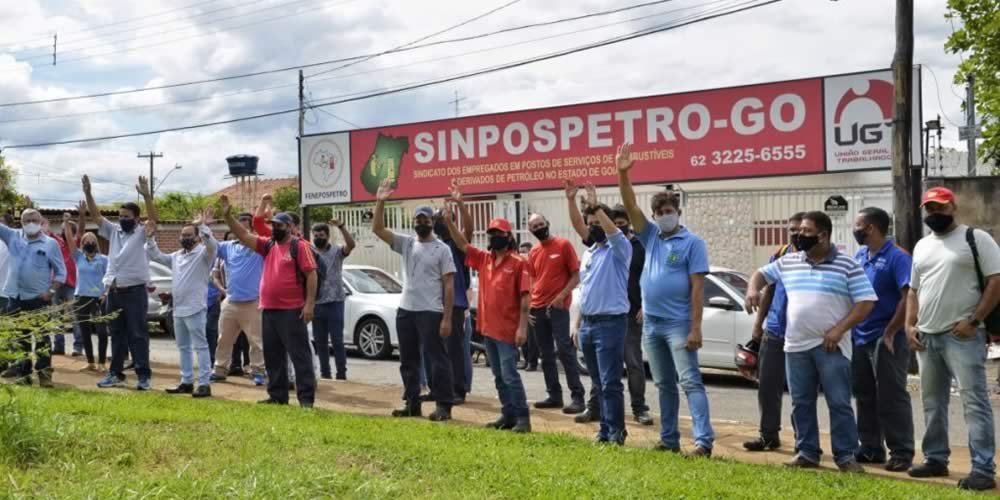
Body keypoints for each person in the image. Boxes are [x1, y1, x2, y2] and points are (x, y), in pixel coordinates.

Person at [746, 210, 876, 472]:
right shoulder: (789, 261)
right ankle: (807, 451)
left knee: (839, 402)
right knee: (801, 401)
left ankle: (845, 456)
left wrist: (839, 330)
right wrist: (752, 290)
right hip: (796, 346)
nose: (799, 235)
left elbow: (866, 302)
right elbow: (760, 274)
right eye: (798, 230)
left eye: (806, 231)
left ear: (823, 235)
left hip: (831, 346)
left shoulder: (847, 264)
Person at [617, 143, 713, 456]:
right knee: (664, 385)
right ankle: (669, 439)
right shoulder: (651, 236)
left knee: (690, 382)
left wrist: (695, 328)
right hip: (652, 325)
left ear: (678, 213)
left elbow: (697, 288)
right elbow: (631, 207)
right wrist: (623, 173)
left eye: (668, 212)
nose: (663, 216)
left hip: (679, 325)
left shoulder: (693, 243)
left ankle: (703, 441)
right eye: (659, 213)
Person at [906, 187, 1000, 491]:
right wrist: (909, 324)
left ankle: (983, 470)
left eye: (940, 208)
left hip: (962, 337)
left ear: (953, 207)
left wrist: (974, 321)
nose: (934, 214)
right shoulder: (922, 246)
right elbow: (913, 289)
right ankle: (935, 459)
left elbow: (996, 281)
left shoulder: (976, 238)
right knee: (932, 403)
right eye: (930, 209)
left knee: (975, 403)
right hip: (927, 337)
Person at [443, 183, 532, 433]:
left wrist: (522, 329)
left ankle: (523, 418)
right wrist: (452, 218)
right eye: (492, 233)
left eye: (499, 233)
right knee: (498, 376)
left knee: (510, 374)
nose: (495, 237)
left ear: (509, 236)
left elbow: (525, 299)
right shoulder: (485, 260)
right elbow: (462, 244)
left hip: (508, 330)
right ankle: (508, 414)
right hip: (488, 329)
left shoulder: (518, 263)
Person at [566, 185, 653, 427]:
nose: (593, 226)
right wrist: (571, 201)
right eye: (591, 222)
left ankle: (635, 412)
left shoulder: (625, 247)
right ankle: (599, 415)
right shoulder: (591, 253)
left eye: (598, 222)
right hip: (591, 322)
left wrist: (645, 304)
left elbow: (649, 278)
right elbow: (586, 290)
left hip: (623, 316)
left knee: (629, 366)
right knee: (599, 376)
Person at [372, 179, 456, 421]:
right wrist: (380, 201)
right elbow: (378, 229)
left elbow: (449, 284)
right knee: (407, 360)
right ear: (414, 222)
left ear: (433, 222)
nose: (421, 223)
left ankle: (444, 405)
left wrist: (447, 318)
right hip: (406, 310)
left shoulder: (442, 249)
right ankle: (412, 403)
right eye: (418, 220)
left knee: (436, 360)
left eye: (426, 220)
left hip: (431, 311)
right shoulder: (407, 243)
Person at [222, 196, 318, 407]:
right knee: (273, 356)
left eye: (280, 225)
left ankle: (306, 400)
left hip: (292, 310)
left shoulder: (299, 246)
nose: (275, 229)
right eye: (273, 225)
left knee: (299, 356)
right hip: (269, 309)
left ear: (290, 227)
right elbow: (244, 235)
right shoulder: (269, 245)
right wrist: (228, 216)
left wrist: (309, 304)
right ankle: (277, 396)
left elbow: (311, 274)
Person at [850, 207, 915, 472]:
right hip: (860, 336)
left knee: (891, 395)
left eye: (858, 225)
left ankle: (901, 451)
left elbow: (908, 296)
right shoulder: (860, 255)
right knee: (864, 394)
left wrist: (890, 331)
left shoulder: (898, 257)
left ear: (871, 228)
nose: (855, 229)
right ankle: (871, 448)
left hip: (887, 337)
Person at [86, 175, 155, 391]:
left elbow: (154, 218)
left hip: (134, 292)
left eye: (126, 216)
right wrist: (88, 193)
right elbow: (96, 217)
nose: (122, 218)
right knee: (116, 335)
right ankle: (115, 373)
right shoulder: (114, 230)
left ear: (136, 218)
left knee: (137, 334)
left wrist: (146, 195)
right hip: (113, 291)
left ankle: (143, 376)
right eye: (120, 215)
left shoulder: (143, 233)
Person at [743, 212, 804, 452]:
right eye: (792, 230)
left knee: (801, 391)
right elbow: (767, 290)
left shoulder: (815, 257)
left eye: (801, 229)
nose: (797, 234)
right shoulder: (780, 255)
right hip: (775, 331)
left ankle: (803, 439)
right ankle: (768, 435)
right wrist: (758, 325)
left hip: (802, 336)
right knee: (767, 387)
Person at [146, 209, 218, 398]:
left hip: (195, 308)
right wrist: (150, 238)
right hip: (177, 309)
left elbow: (212, 245)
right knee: (183, 347)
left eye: (188, 235)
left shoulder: (204, 254)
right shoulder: (177, 256)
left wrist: (203, 226)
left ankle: (204, 383)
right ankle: (186, 381)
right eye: (182, 235)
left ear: (197, 238)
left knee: (201, 347)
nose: (184, 238)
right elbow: (157, 256)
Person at [526, 211, 585, 414]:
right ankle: (554, 395)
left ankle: (578, 397)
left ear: (548, 223)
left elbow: (576, 276)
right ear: (530, 230)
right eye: (534, 227)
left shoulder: (563, 245)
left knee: (564, 350)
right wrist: (529, 307)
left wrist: (562, 296)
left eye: (541, 224)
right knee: (545, 354)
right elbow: (532, 280)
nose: (539, 228)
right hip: (537, 308)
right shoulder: (533, 252)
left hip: (558, 307)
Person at [0, 208, 67, 387]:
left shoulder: (50, 244)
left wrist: (51, 292)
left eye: (34, 220)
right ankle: (23, 374)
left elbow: (61, 273)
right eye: (26, 220)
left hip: (39, 299)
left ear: (40, 221)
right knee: (20, 339)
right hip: (15, 297)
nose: (30, 223)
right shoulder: (12, 236)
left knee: (42, 338)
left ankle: (44, 374)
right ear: (20, 222)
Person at [211, 214, 267, 387]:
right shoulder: (228, 247)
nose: (239, 231)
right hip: (231, 301)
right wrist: (204, 228)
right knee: (223, 339)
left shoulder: (259, 246)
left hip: (253, 302)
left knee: (256, 341)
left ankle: (258, 371)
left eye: (243, 227)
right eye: (236, 227)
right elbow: (210, 246)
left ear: (251, 229)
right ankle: (220, 370)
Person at [432, 195, 474, 405]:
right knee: (437, 350)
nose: (438, 222)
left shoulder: (456, 244)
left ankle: (459, 390)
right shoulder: (434, 244)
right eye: (437, 219)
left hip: (455, 304)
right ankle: (439, 387)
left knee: (455, 350)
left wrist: (460, 205)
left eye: (442, 218)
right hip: (433, 304)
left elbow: (469, 228)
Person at [64, 206, 110, 371]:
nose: (89, 243)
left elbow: (109, 279)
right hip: (81, 297)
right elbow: (69, 240)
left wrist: (105, 293)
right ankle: (90, 362)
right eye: (86, 241)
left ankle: (102, 362)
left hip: (98, 299)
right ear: (82, 244)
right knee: (85, 331)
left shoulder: (104, 259)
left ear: (96, 243)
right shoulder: (78, 257)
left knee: (102, 331)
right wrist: (66, 222)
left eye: (92, 241)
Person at [311, 220, 356, 380]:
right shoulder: (310, 253)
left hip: (335, 302)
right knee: (320, 342)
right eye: (315, 235)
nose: (318, 238)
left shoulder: (337, 251)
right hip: (316, 303)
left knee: (337, 341)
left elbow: (351, 245)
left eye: (321, 235)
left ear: (328, 236)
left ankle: (341, 374)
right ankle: (325, 373)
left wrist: (342, 227)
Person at [46, 216, 79, 356]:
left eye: (66, 230)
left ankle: (78, 348)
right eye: (63, 229)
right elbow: (47, 233)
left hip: (72, 285)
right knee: (56, 317)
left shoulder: (76, 242)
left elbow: (80, 228)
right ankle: (59, 346)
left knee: (75, 317)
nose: (63, 232)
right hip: (57, 285)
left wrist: (69, 221)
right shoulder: (57, 242)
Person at [517, 241, 539, 372]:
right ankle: (526, 360)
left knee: (532, 337)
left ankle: (532, 362)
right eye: (520, 252)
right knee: (523, 334)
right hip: (521, 305)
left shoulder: (534, 268)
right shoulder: (520, 268)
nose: (521, 254)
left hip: (533, 304)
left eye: (524, 252)